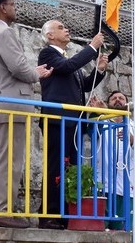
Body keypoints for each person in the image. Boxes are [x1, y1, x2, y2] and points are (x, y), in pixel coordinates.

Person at [0, 0, 52, 229]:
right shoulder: (4, 32)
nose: (14, 8)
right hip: (8, 104)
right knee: (9, 161)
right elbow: (18, 67)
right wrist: (36, 73)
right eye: (12, 4)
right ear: (3, 7)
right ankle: (1, 210)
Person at [37, 20, 109, 230]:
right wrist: (92, 47)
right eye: (60, 27)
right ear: (50, 35)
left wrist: (99, 70)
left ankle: (65, 213)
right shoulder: (48, 54)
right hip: (58, 120)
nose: (66, 29)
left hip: (73, 122)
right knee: (56, 167)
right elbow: (68, 67)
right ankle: (49, 214)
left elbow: (83, 85)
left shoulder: (66, 59)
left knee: (70, 169)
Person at [89, 90, 135, 231]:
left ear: (127, 103)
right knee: (100, 231)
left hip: (127, 188)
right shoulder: (101, 121)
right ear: (108, 103)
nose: (118, 100)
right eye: (114, 98)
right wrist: (99, 113)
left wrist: (131, 138)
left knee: (124, 232)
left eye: (121, 98)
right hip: (103, 186)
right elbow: (90, 131)